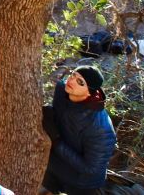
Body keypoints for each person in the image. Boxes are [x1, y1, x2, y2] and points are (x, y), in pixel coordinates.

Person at [40, 65, 117, 195]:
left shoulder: (100, 128)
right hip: (55, 164)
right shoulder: (62, 90)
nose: (71, 81)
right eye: (73, 75)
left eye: (80, 82)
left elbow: (91, 168)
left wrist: (57, 141)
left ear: (90, 92)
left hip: (82, 182)